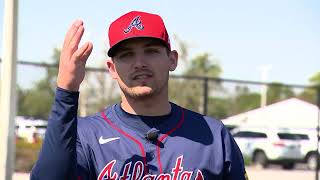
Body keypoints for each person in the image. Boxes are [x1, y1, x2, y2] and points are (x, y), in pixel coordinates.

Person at [30, 11, 248, 180]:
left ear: (172, 59)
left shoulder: (213, 135)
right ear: (112, 68)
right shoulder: (85, 135)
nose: (139, 63)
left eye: (151, 51)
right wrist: (66, 91)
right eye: (126, 55)